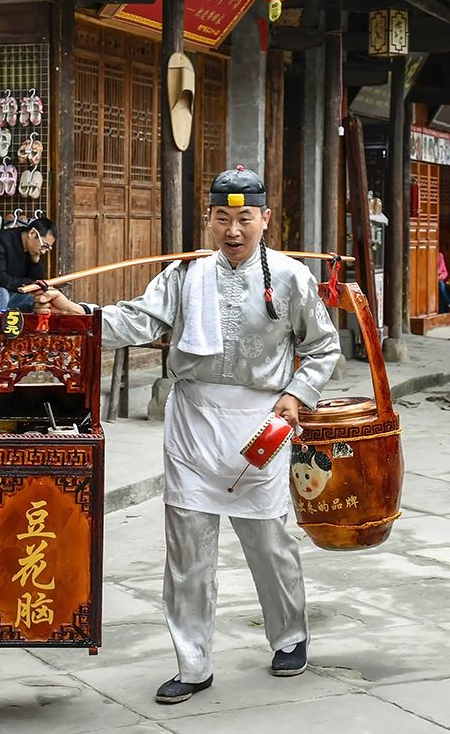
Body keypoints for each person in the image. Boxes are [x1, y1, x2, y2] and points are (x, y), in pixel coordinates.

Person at [34, 167, 340, 703]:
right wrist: (77, 312)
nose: (234, 230)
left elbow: (323, 346)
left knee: (269, 541)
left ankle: (290, 635)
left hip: (262, 424)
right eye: (223, 218)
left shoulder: (292, 278)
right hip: (195, 421)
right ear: (210, 220)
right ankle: (192, 662)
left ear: (265, 219)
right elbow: (137, 320)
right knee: (188, 551)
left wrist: (297, 395)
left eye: (245, 218)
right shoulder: (184, 276)